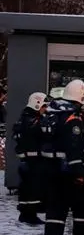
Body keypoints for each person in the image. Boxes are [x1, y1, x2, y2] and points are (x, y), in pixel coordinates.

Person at [40, 80, 84, 235]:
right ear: (82, 96)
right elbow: (73, 148)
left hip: (51, 169)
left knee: (55, 212)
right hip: (68, 171)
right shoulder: (73, 118)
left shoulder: (53, 112)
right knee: (83, 210)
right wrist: (78, 173)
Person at [13, 92, 48, 225]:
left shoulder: (24, 118)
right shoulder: (33, 121)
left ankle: (25, 213)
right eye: (44, 106)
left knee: (26, 188)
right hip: (33, 161)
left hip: (25, 161)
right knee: (33, 188)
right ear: (37, 104)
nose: (45, 109)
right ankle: (31, 214)